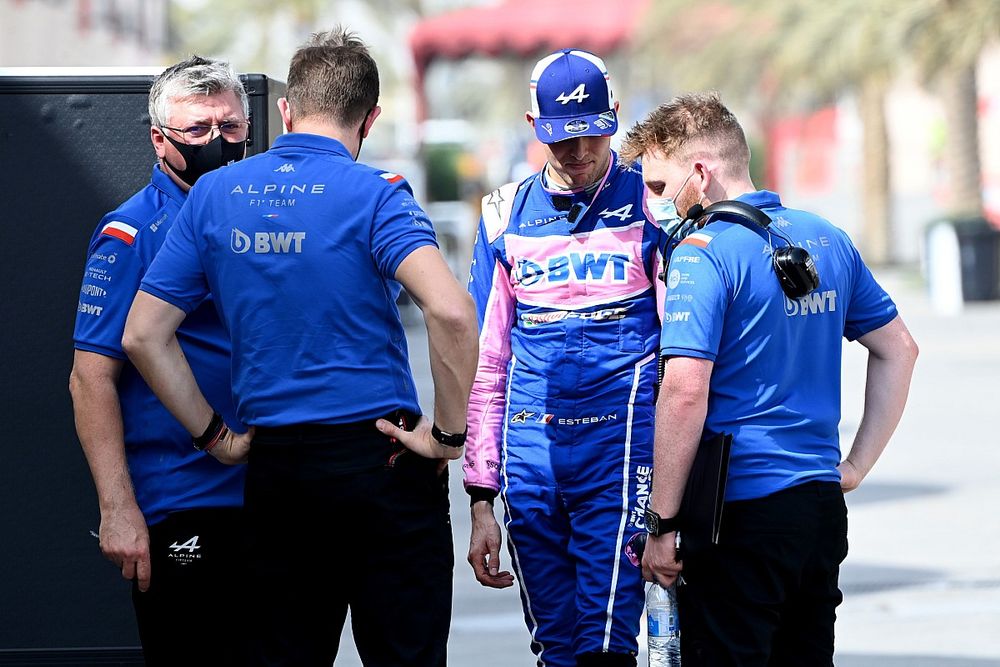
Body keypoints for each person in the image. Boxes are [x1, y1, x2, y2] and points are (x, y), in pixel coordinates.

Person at [121, 27, 478, 666]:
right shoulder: (377, 194)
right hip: (383, 459)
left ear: (284, 110)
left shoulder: (212, 196)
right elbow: (452, 313)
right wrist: (447, 438)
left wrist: (216, 439)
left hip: (279, 470)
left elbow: (143, 335)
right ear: (370, 117)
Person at [621, 92, 919, 666]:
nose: (653, 203)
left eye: (659, 187)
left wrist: (659, 523)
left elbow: (684, 391)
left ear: (700, 175)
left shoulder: (703, 253)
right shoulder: (825, 235)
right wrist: (854, 465)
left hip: (741, 515)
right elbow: (899, 349)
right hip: (818, 509)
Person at [464, 48, 670, 667]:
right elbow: (488, 361)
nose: (579, 152)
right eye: (561, 138)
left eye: (592, 135)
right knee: (555, 648)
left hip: (623, 447)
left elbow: (687, 353)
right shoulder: (502, 215)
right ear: (533, 126)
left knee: (606, 641)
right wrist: (480, 494)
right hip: (531, 454)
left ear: (613, 116)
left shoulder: (653, 204)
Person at [68, 56, 251, 665]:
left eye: (228, 127)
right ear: (160, 138)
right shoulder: (130, 231)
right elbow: (90, 376)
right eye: (197, 131)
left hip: (271, 492)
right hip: (182, 498)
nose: (216, 143)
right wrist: (118, 509)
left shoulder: (261, 213)